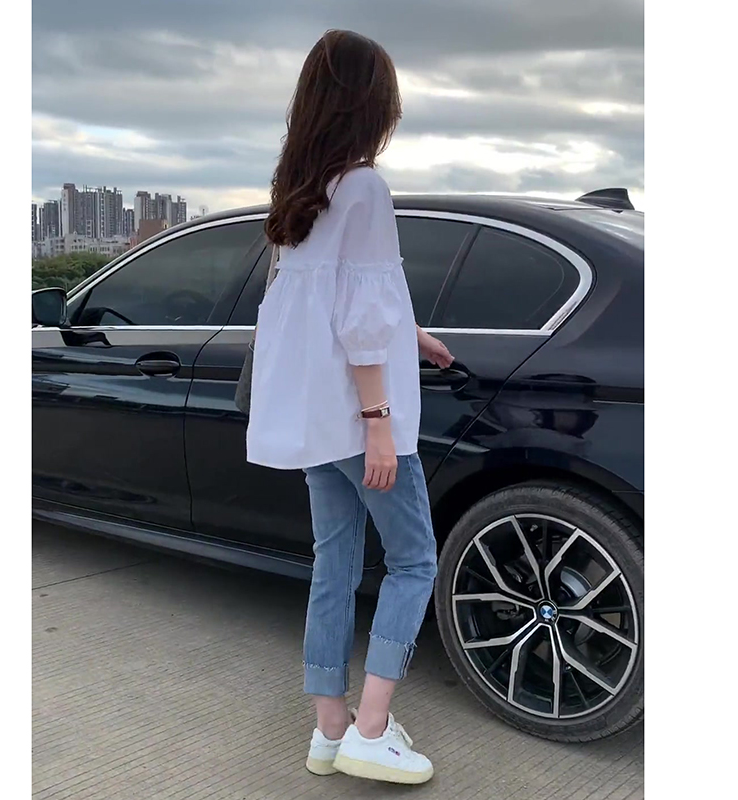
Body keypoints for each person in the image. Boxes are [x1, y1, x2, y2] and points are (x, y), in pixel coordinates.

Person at [246, 29, 454, 785]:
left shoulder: (302, 192)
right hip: (358, 415)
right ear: (372, 106)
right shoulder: (364, 187)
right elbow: (360, 315)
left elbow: (326, 301)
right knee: (414, 560)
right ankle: (372, 728)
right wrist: (379, 424)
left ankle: (330, 728)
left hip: (315, 417)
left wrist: (412, 335)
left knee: (333, 562)